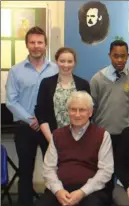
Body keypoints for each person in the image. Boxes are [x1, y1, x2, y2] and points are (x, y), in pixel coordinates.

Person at [5, 26, 58, 206]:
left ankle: (51, 202)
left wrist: (43, 121)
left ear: (45, 45)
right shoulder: (16, 71)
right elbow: (11, 101)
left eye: (40, 42)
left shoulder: (56, 69)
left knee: (52, 170)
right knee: (25, 171)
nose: (36, 46)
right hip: (25, 128)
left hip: (50, 128)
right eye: (32, 42)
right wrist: (31, 120)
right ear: (27, 45)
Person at [36, 91, 113, 206]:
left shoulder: (102, 135)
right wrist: (58, 191)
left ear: (90, 112)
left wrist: (82, 192)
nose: (77, 114)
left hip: (90, 192)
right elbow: (48, 169)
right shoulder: (57, 135)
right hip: (61, 190)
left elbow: (106, 171)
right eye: (73, 109)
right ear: (68, 111)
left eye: (82, 110)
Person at [90, 40, 129, 150]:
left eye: (123, 56)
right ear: (109, 56)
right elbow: (91, 109)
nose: (119, 60)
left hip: (127, 136)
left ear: (128, 56)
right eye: (115, 56)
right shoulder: (97, 79)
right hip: (102, 135)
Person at [35, 47, 91, 142]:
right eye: (62, 61)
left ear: (74, 63)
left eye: (70, 61)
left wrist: (80, 138)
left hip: (79, 138)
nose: (66, 65)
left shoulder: (83, 84)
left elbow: (88, 112)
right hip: (51, 137)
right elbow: (41, 114)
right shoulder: (46, 83)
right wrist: (52, 141)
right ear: (56, 61)